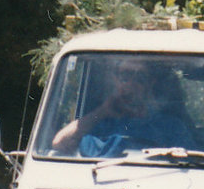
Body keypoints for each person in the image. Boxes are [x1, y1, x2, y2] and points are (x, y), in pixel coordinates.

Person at [51, 58, 192, 155]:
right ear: (115, 80)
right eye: (125, 76)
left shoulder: (171, 127)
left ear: (150, 84)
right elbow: (59, 143)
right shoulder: (99, 124)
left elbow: (189, 165)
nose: (130, 85)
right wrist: (102, 112)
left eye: (140, 79)